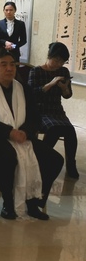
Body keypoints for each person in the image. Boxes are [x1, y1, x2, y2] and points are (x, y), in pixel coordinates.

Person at [0, 50, 63, 220]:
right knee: (8, 156)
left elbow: (35, 117)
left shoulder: (24, 89)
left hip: (23, 136)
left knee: (54, 159)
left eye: (12, 65)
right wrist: (9, 132)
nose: (9, 69)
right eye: (3, 65)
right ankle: (8, 203)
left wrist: (25, 132)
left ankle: (34, 200)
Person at [29, 42, 78, 179]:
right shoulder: (36, 71)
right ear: (49, 56)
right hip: (40, 109)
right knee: (54, 129)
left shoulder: (64, 71)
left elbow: (67, 95)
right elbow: (31, 95)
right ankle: (42, 158)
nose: (59, 64)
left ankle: (71, 164)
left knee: (70, 131)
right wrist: (50, 84)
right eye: (56, 60)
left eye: (62, 61)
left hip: (56, 109)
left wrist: (64, 88)